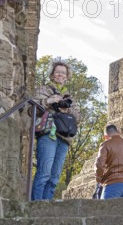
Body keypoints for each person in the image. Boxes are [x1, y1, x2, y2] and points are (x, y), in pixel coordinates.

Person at [31, 58, 80, 200]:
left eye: (63, 73)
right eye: (57, 72)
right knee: (44, 173)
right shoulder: (43, 90)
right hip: (48, 134)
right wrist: (48, 101)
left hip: (64, 138)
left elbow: (79, 117)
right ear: (52, 75)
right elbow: (31, 109)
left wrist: (67, 109)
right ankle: (36, 207)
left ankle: (46, 207)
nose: (60, 75)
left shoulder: (70, 98)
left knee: (54, 178)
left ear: (67, 76)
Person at [94, 124, 123, 199]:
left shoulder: (105, 144)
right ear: (118, 132)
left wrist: (99, 179)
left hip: (112, 183)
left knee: (106, 209)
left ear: (105, 137)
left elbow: (99, 165)